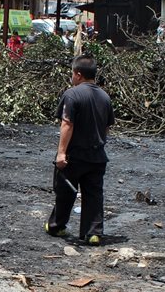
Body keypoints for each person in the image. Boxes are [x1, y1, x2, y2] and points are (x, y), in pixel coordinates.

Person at [45, 55, 114, 245]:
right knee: (93, 194)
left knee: (66, 190)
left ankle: (57, 225)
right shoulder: (105, 97)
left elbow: (67, 124)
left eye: (72, 74)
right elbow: (107, 126)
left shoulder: (72, 94)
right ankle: (93, 233)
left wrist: (61, 153)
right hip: (97, 155)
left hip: (75, 155)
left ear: (78, 74)